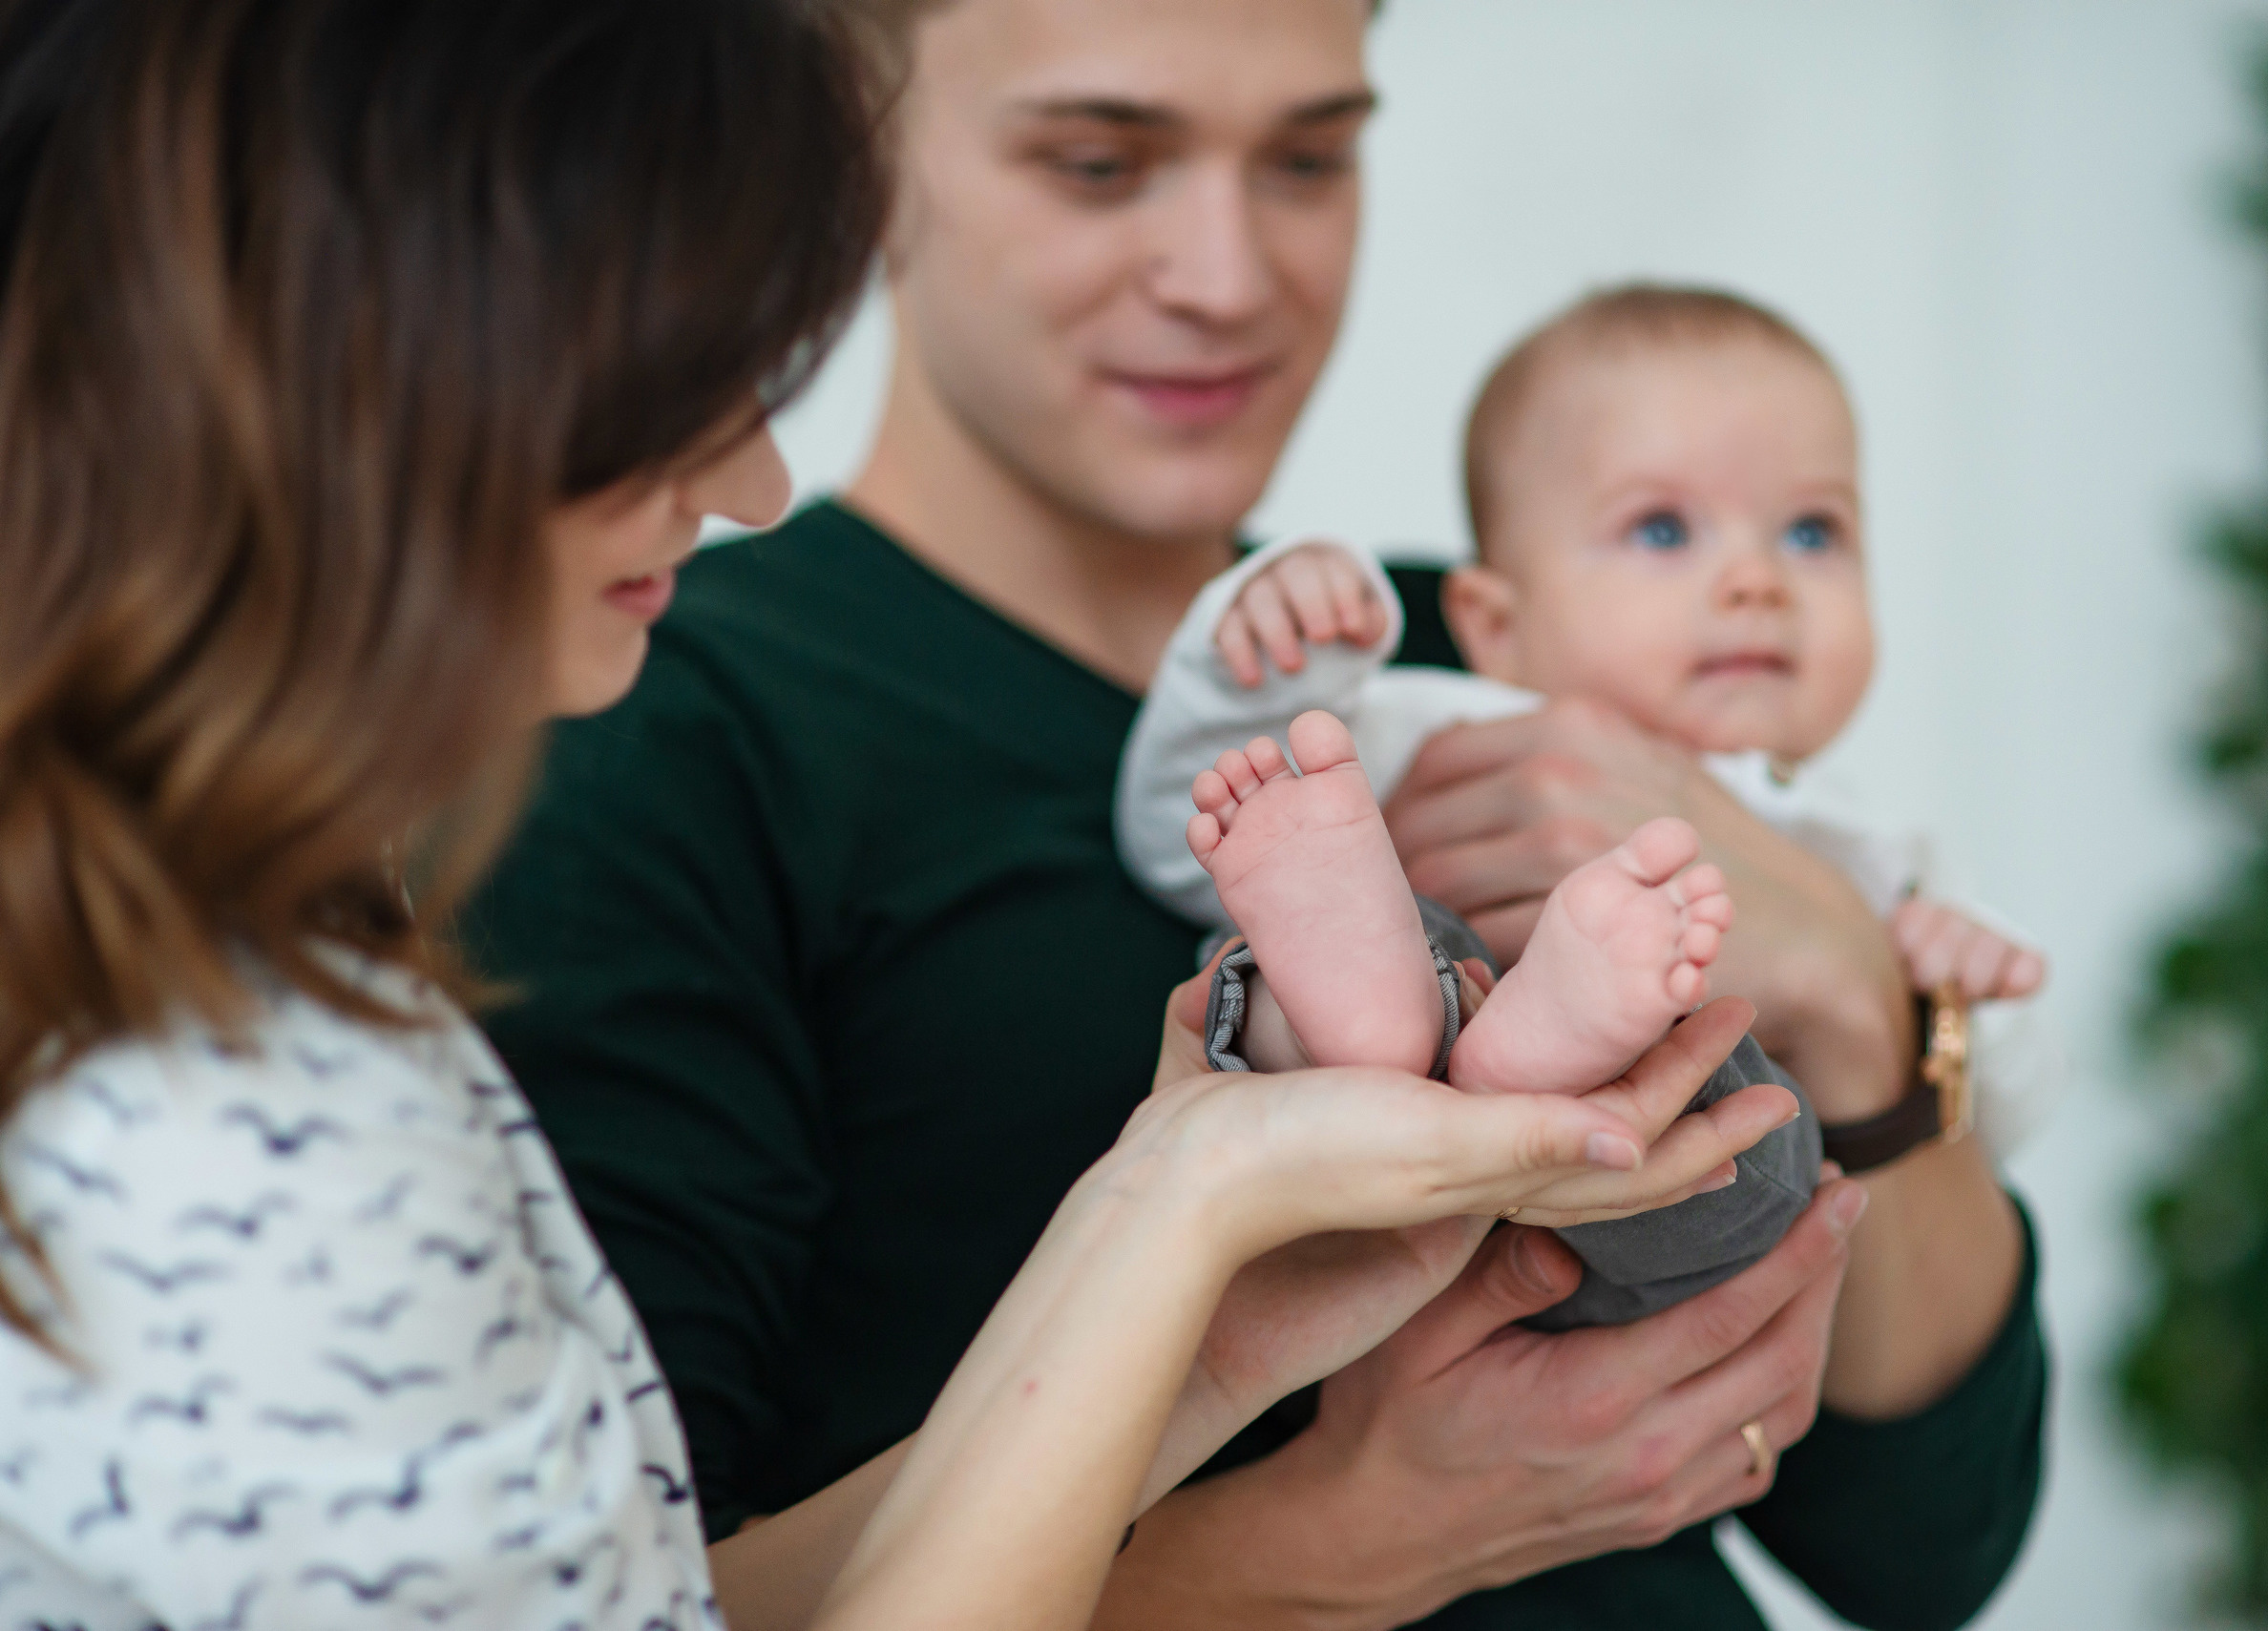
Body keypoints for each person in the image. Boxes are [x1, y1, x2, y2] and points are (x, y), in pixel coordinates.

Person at [0, 2, 1795, 1627]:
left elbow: (647, 1603)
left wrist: (1197, 1284)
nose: (754, 483)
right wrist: (1209, 1277)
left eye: (1316, 153)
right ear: (394, 371)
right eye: (682, 386)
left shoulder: (303, 998)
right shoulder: (232, 1135)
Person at [467, 2, 2048, 1626]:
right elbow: (644, 1598)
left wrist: (1859, 998)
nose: (1226, 276)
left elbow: (1925, 1548)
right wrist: (1347, 1540)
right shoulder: (647, 725)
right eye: (1098, 162)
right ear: (855, 154)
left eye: (1307, 157)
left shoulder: (1502, 658)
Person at [1121, 283, 2062, 1326]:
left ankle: (1574, 1045)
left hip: (1639, 1238)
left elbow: (2005, 1118)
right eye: (1662, 530)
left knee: (1745, 1112)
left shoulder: (1860, 848)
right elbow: (1181, 840)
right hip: (1362, 1213)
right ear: (1492, 623)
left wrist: (1922, 978)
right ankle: (1384, 1010)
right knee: (1284, 965)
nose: (1756, 579)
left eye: (1809, 532)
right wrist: (1253, 665)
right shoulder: (1430, 722)